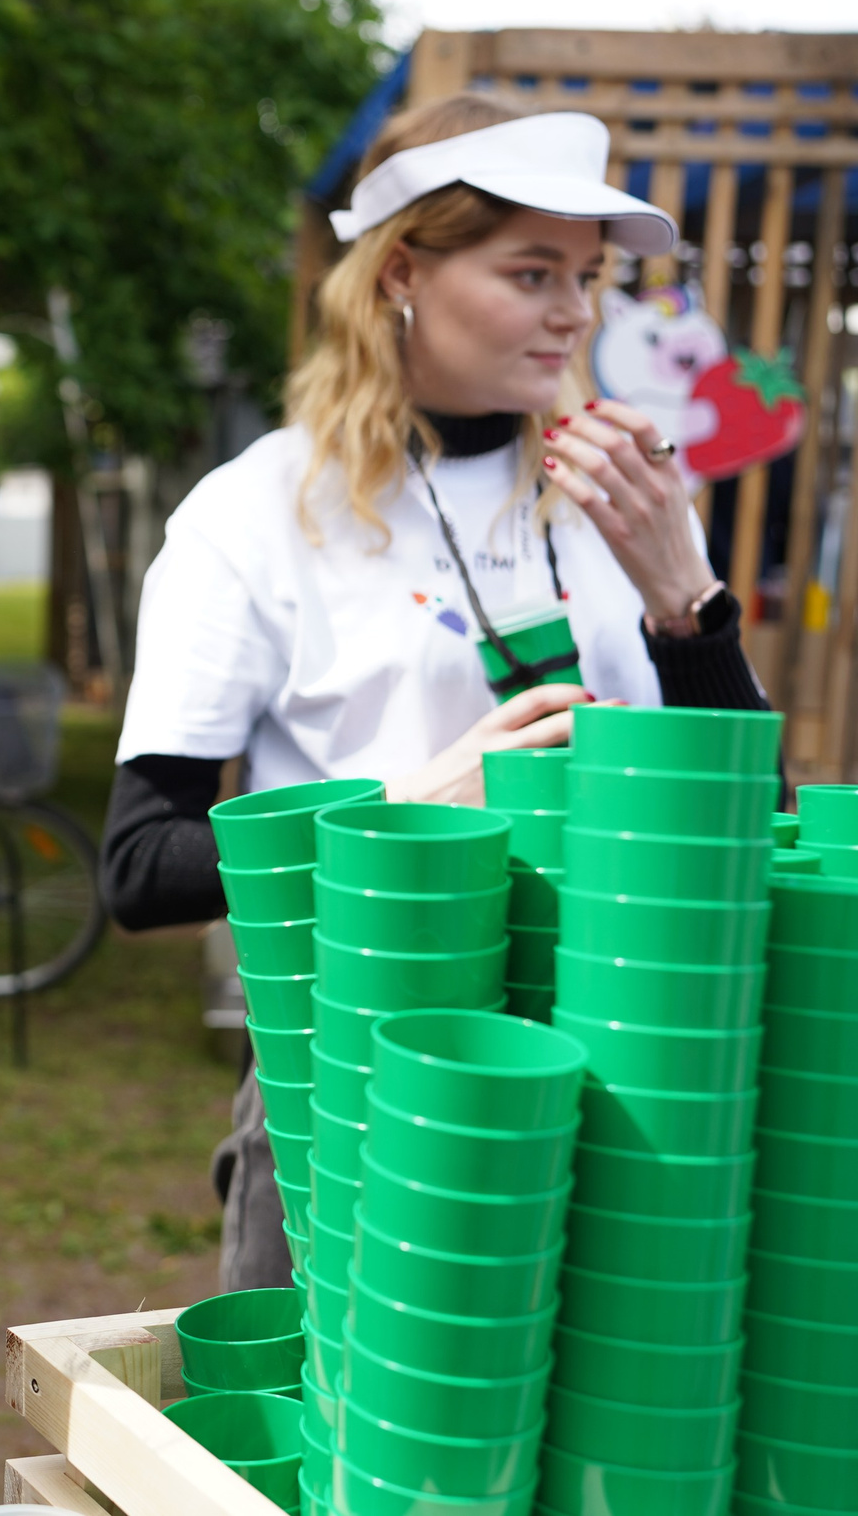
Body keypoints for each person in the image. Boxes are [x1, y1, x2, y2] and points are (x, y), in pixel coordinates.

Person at [102, 93, 769, 1288]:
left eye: (590, 276)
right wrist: (403, 806)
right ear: (402, 271)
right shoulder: (256, 513)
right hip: (358, 1074)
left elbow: (754, 817)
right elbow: (139, 869)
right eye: (531, 272)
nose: (575, 313)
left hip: (624, 1068)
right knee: (333, 1454)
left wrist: (686, 602)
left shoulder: (620, 497)